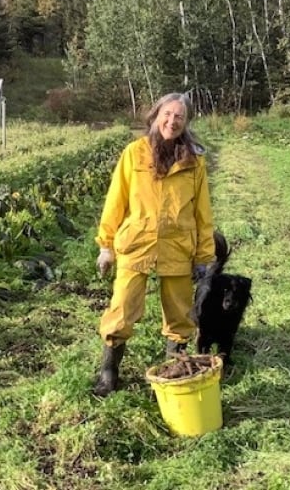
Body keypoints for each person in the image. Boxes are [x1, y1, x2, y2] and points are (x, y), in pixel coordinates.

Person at [92, 92, 215, 397]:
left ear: (185, 124)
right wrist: (106, 245)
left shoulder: (193, 161)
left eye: (179, 117)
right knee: (121, 310)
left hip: (177, 246)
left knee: (180, 315)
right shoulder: (134, 153)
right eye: (167, 114)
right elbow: (115, 200)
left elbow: (203, 212)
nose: (172, 122)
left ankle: (175, 370)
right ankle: (109, 371)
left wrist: (204, 257)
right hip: (137, 242)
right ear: (156, 115)